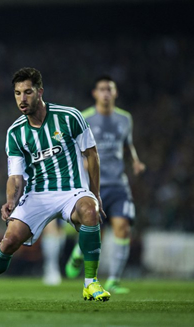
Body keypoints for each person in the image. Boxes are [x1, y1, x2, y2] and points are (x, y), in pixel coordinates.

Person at [0, 67, 110, 304]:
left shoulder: (70, 117)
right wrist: (11, 201)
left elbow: (91, 155)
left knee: (89, 210)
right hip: (37, 195)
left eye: (28, 92)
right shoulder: (15, 133)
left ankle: (90, 283)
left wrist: (95, 194)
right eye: (17, 93)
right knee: (10, 240)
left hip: (71, 190)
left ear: (40, 92)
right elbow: (15, 176)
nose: (22, 99)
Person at [65, 75, 145, 294]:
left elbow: (127, 145)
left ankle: (113, 281)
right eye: (102, 89)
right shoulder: (84, 117)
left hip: (119, 184)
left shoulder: (125, 119)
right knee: (94, 232)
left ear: (115, 93)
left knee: (123, 228)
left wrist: (135, 161)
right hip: (92, 183)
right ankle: (78, 253)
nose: (106, 93)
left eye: (110, 89)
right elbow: (73, 145)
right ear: (95, 93)